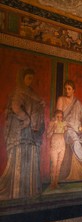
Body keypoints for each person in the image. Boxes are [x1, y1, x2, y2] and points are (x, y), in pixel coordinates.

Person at [0, 67, 45, 200]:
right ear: (23, 78)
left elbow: (37, 104)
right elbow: (15, 107)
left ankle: (30, 190)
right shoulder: (18, 92)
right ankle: (18, 191)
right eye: (28, 78)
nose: (30, 81)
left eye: (32, 78)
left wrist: (40, 103)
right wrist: (26, 119)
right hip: (20, 130)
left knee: (31, 156)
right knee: (20, 157)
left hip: (30, 131)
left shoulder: (32, 93)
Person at [56, 80, 82, 180]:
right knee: (75, 141)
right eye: (65, 89)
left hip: (79, 131)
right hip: (67, 130)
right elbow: (58, 118)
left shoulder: (77, 103)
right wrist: (64, 126)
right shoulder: (61, 99)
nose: (67, 91)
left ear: (73, 90)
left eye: (69, 89)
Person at [47, 109, 67, 190]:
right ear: (54, 117)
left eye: (61, 117)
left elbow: (64, 134)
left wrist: (65, 130)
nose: (59, 119)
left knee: (59, 165)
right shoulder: (52, 123)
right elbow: (48, 135)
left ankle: (56, 183)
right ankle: (52, 184)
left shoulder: (63, 123)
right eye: (57, 117)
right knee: (54, 165)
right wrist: (53, 128)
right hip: (54, 145)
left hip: (62, 144)